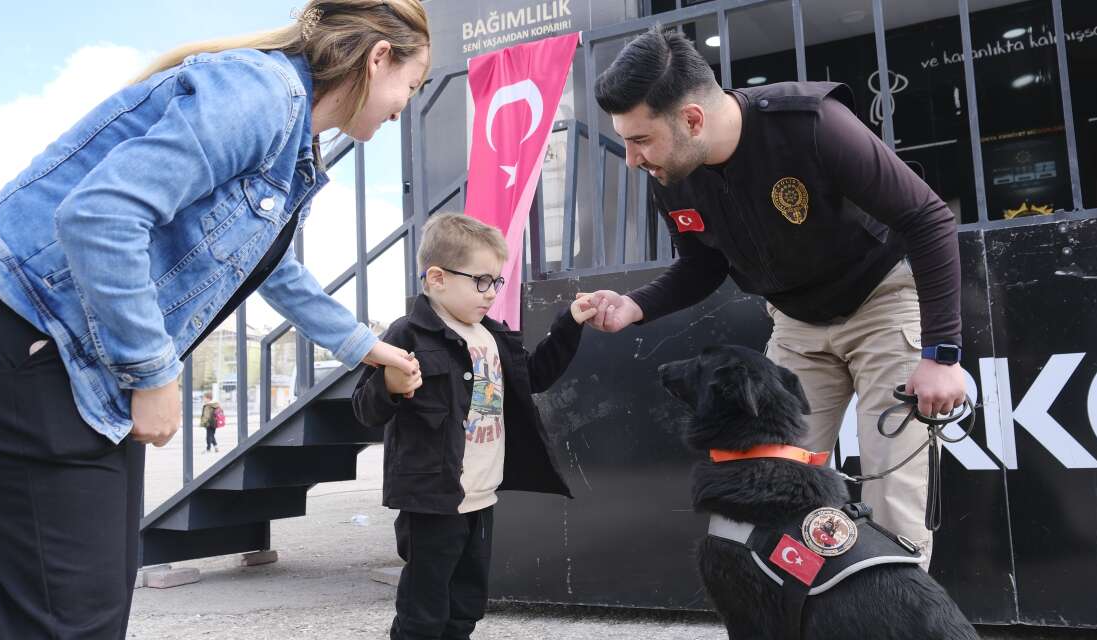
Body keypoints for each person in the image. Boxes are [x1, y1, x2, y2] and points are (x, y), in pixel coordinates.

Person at [0, 2, 428, 636]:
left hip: (70, 351)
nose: (405, 108)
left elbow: (274, 271)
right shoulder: (262, 92)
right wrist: (153, 372)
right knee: (69, 619)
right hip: (25, 329)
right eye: (413, 85)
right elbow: (101, 215)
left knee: (81, 607)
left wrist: (370, 348)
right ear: (377, 60)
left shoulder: (294, 150)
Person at [586, 26, 966, 569]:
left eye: (640, 139)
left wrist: (941, 355)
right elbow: (700, 265)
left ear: (692, 119)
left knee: (892, 501)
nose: (630, 158)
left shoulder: (812, 124)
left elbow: (927, 218)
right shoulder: (672, 170)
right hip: (793, 322)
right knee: (765, 488)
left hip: (882, 304)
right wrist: (635, 306)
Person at [352, 214, 597, 640]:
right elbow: (363, 409)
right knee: (424, 610)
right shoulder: (407, 334)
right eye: (481, 281)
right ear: (438, 277)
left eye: (496, 282)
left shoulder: (492, 335)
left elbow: (534, 376)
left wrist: (569, 323)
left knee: (466, 602)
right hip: (432, 500)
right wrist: (389, 385)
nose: (491, 294)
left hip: (481, 496)